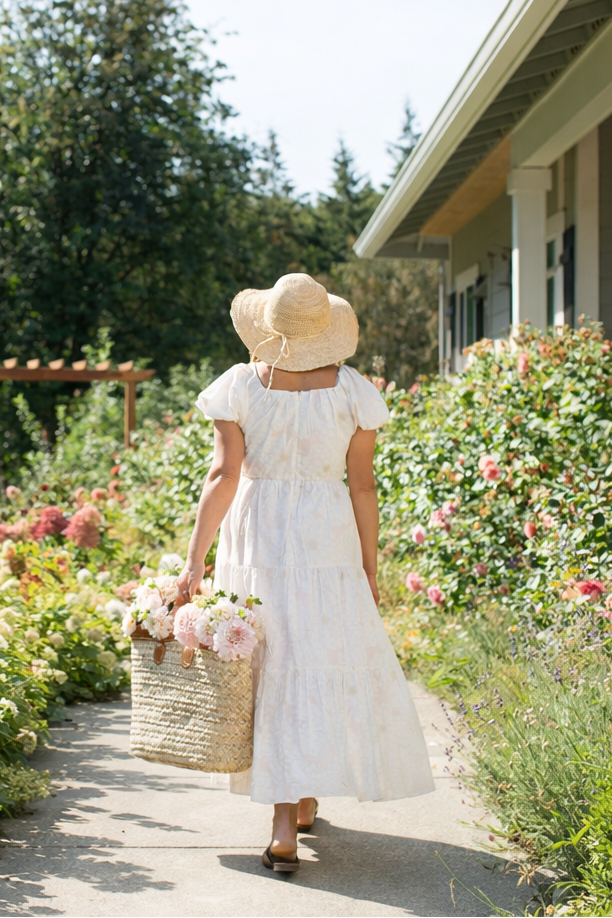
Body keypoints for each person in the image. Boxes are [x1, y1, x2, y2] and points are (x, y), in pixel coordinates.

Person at [175, 273, 435, 874]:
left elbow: (224, 476)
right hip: (326, 532)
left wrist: (195, 559)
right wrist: (370, 564)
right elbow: (363, 485)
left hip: (257, 530)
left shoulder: (241, 384)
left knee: (272, 662)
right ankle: (296, 804)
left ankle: (284, 820)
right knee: (313, 654)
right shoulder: (352, 391)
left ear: (267, 326)